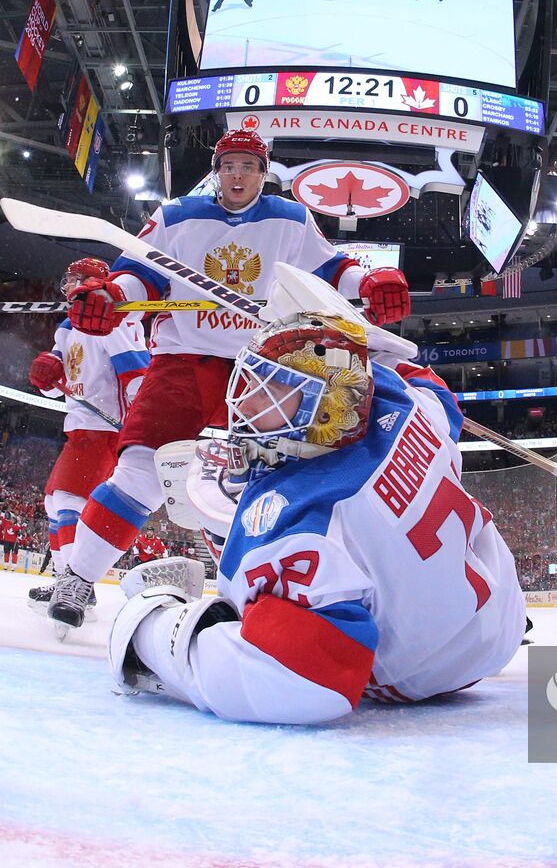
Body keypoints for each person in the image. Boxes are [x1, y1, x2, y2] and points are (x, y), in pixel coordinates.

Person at [45, 128, 411, 633]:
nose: (238, 175)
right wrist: (112, 296)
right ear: (216, 173)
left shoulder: (291, 218)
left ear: (264, 174)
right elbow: (137, 274)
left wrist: (368, 281)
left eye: (249, 166)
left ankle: (259, 596)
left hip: (261, 367)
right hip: (183, 362)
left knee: (260, 489)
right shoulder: (177, 216)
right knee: (141, 470)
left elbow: (331, 269)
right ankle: (78, 578)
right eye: (229, 166)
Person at [108, 310, 525, 725]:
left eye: (270, 388)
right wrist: (359, 344)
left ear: (323, 409)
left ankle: (171, 622)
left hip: (422, 671)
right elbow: (434, 391)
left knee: (266, 608)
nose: (244, 401)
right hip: (501, 613)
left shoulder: (307, 519)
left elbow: (310, 682)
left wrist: (150, 630)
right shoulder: (404, 402)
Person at [26, 257, 150, 614]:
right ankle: (65, 579)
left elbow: (136, 372)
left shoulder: (114, 319)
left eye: (75, 278)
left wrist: (141, 420)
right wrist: (46, 377)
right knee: (54, 502)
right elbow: (57, 385)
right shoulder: (67, 327)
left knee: (68, 499)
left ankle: (76, 583)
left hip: (104, 428)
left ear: (92, 283)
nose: (67, 285)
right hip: (79, 425)